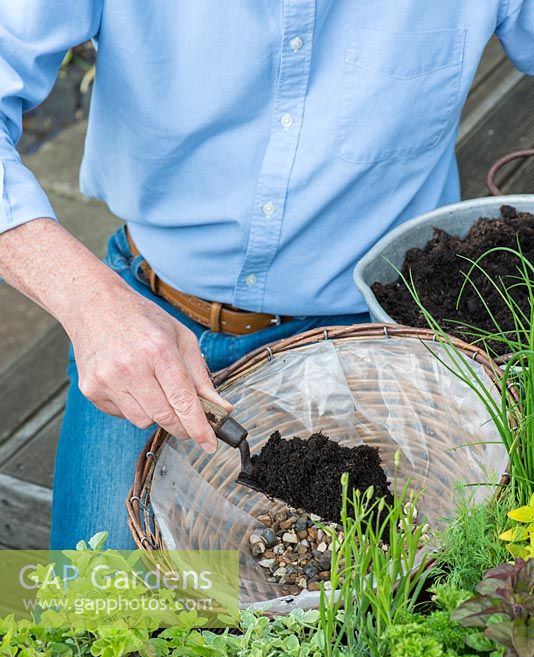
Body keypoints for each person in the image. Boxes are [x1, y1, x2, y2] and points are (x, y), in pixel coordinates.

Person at [0, 2, 533, 552]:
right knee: (92, 617)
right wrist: (90, 304)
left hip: (377, 330)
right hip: (145, 315)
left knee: (411, 599)